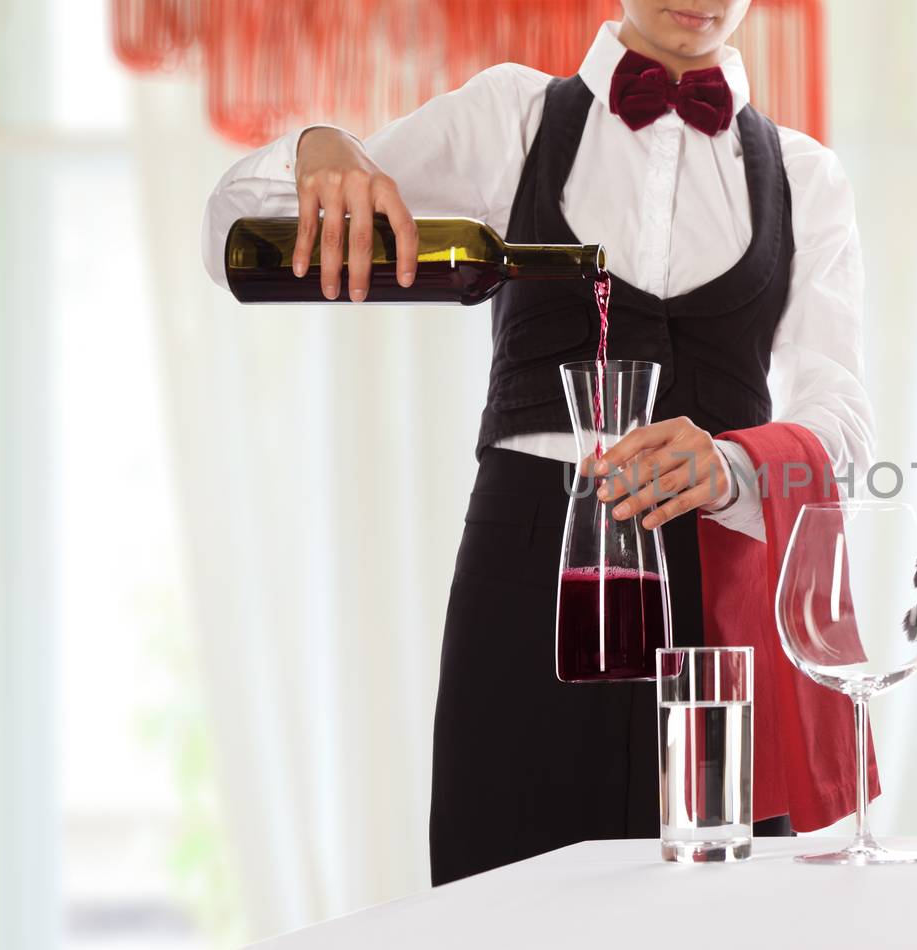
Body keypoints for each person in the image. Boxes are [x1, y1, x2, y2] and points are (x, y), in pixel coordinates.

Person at [201, 0, 875, 882]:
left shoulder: (803, 175)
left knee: (722, 910)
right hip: (529, 567)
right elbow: (229, 238)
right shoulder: (509, 116)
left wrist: (732, 462)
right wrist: (318, 146)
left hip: (717, 589)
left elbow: (846, 427)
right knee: (504, 891)